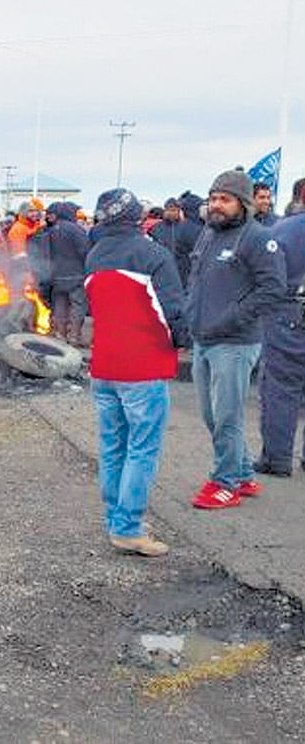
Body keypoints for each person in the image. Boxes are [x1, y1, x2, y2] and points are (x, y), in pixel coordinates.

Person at [85, 188, 189, 556]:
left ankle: (116, 520)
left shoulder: (94, 255)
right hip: (143, 367)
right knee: (142, 449)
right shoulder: (153, 254)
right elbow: (172, 311)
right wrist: (183, 340)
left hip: (104, 366)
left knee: (113, 446)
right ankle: (128, 528)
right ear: (135, 217)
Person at [185, 169, 287, 509]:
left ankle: (224, 482)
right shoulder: (208, 234)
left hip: (235, 342)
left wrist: (233, 316)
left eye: (225, 199)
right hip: (204, 338)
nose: (216, 205)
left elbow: (273, 289)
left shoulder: (259, 238)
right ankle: (243, 473)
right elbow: (197, 279)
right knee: (212, 416)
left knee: (227, 416)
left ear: (242, 204)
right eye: (213, 198)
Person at [255, 209, 305, 476]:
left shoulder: (283, 229)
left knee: (280, 387)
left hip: (290, 314)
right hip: (291, 310)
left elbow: (266, 276)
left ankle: (277, 458)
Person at [46, 202, 90, 346]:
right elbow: (85, 251)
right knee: (78, 305)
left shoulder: (52, 230)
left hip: (57, 275)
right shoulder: (77, 230)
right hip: (76, 275)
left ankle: (60, 334)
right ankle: (74, 336)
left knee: (59, 304)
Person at [148, 197, 198, 289]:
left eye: (174, 210)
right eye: (168, 210)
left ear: (179, 211)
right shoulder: (156, 228)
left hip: (183, 274)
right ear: (165, 210)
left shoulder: (188, 227)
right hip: (162, 272)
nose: (171, 212)